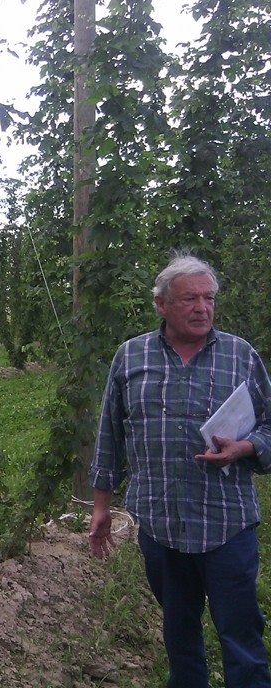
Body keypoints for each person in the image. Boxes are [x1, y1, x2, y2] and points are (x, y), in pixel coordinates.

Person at [88, 253, 271, 688]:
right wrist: (101, 506)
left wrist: (245, 446)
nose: (202, 308)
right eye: (190, 298)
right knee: (179, 630)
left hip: (226, 522)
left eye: (209, 298)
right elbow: (110, 433)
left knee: (240, 633)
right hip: (160, 524)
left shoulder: (239, 356)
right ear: (161, 304)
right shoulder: (130, 357)